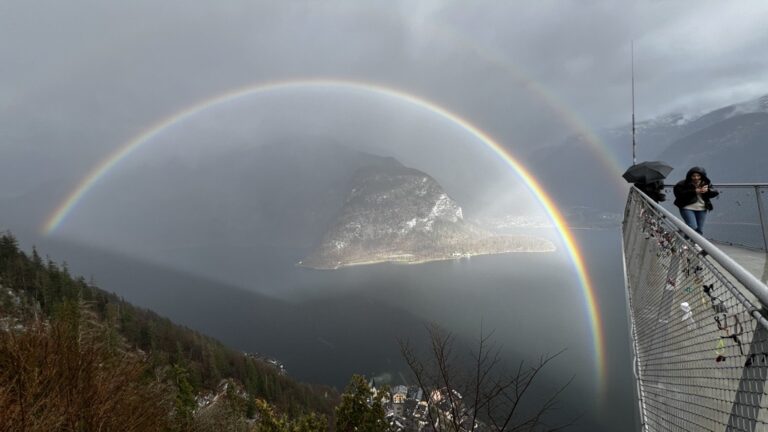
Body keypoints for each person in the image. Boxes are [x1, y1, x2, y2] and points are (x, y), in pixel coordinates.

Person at [673, 167, 719, 235]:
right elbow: (678, 194)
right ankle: (684, 236)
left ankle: (694, 244)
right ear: (690, 176)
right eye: (693, 176)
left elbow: (715, 192)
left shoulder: (705, 184)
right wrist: (694, 191)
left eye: (698, 176)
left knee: (699, 229)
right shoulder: (683, 184)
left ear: (701, 176)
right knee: (692, 227)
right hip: (687, 207)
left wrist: (708, 191)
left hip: (702, 208)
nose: (696, 178)